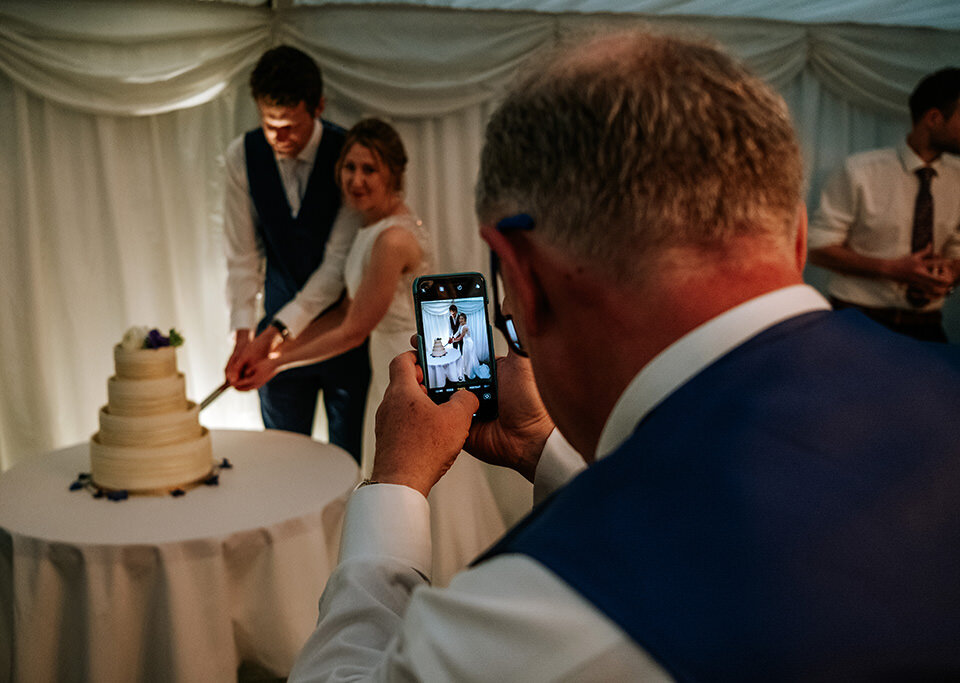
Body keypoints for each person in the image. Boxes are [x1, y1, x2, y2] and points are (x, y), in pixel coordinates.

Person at [288, 30, 960, 681]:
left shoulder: (551, 605)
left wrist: (396, 489)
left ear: (520, 276)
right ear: (796, 236)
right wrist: (541, 448)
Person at [230, 118, 505, 585]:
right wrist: (275, 343)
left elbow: (355, 329)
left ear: (393, 175)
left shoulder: (392, 239)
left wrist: (278, 362)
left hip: (410, 368)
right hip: (386, 365)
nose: (356, 180)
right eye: (349, 168)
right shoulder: (369, 230)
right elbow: (346, 312)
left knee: (429, 481)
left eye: (369, 169)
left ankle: (443, 581)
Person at [223, 45, 370, 462]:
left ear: (318, 106)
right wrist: (243, 338)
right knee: (284, 464)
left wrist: (273, 336)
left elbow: (337, 266)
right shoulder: (242, 156)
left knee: (347, 465)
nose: (278, 138)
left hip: (341, 337)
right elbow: (242, 257)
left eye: (289, 126)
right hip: (273, 336)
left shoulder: (348, 156)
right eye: (270, 125)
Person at [808, 67, 960, 342]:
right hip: (857, 324)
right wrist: (891, 269)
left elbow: (957, 249)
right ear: (935, 118)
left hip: (927, 329)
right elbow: (818, 249)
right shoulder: (859, 171)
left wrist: (951, 273)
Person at [449, 312, 478, 379]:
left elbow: (460, 337)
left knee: (469, 357)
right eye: (459, 319)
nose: (460, 320)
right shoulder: (461, 326)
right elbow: (457, 333)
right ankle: (467, 370)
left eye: (462, 319)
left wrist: (453, 341)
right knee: (466, 356)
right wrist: (452, 337)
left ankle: (470, 372)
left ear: (465, 319)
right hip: (466, 343)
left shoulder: (465, 327)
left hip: (469, 343)